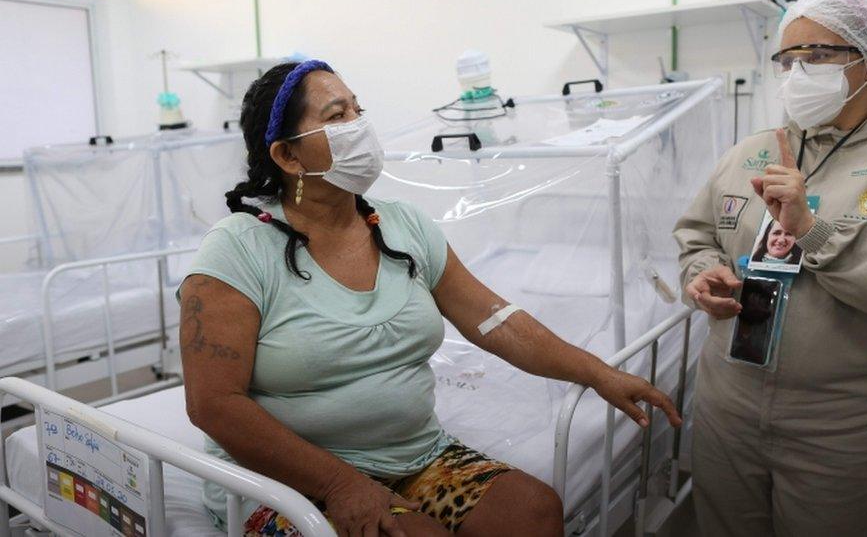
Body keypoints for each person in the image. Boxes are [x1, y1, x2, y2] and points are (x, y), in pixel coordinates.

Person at [178, 59, 683, 537]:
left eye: (358, 109)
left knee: (532, 511)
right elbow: (214, 404)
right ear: (288, 155)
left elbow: (495, 320)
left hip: (414, 456)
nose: (359, 125)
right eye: (338, 116)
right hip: (289, 479)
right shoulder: (238, 249)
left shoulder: (402, 224)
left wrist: (597, 372)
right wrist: (340, 484)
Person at [672, 0, 867, 535]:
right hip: (727, 402)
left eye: (814, 56)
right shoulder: (749, 153)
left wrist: (814, 231)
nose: (795, 74)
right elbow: (696, 238)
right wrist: (701, 277)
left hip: (842, 422)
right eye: (786, 61)